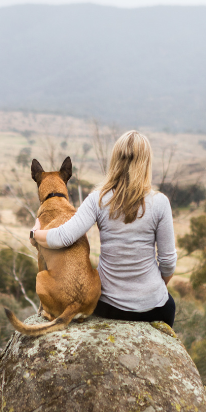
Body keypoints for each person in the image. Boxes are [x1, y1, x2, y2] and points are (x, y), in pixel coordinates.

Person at [29, 130, 178, 327]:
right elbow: (167, 262)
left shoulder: (98, 199)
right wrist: (154, 290)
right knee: (171, 305)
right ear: (146, 163)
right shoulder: (160, 203)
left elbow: (62, 238)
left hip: (107, 304)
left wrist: (35, 232)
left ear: (115, 161)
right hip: (153, 306)